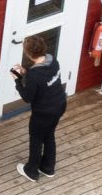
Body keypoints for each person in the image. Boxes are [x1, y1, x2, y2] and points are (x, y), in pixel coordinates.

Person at [13, 38, 66, 182]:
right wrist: (26, 73)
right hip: (59, 105)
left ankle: (31, 171)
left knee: (36, 139)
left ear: (29, 54)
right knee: (49, 135)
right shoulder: (52, 61)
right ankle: (48, 168)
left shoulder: (34, 75)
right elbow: (43, 78)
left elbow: (27, 97)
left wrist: (17, 80)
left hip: (43, 113)